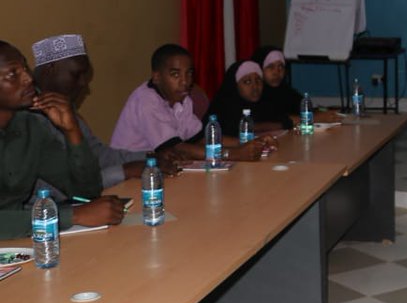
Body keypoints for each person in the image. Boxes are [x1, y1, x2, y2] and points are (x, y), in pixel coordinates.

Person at [0, 40, 123, 237]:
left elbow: (85, 192)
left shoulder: (30, 126)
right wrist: (72, 216)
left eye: (25, 67)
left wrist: (71, 131)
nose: (28, 78)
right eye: (13, 74)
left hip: (19, 243)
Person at [32, 33, 178, 184]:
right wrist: (125, 171)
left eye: (85, 76)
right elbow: (64, 188)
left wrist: (150, 157)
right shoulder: (27, 117)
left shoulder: (62, 106)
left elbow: (98, 155)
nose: (83, 84)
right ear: (50, 68)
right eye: (76, 75)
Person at [111, 44, 266, 161]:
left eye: (189, 73)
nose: (185, 81)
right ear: (157, 77)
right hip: (132, 171)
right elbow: (176, 149)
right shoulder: (146, 101)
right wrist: (233, 154)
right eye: (175, 74)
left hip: (161, 166)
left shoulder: (183, 99)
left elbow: (200, 138)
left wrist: (250, 143)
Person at [250, 46, 337, 126]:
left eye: (281, 66)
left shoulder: (285, 90)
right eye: (271, 67)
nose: (277, 72)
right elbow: (271, 121)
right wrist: (315, 118)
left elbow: (302, 107)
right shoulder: (254, 94)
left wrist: (323, 112)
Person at [209, 60, 292, 136]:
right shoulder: (223, 107)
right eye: (247, 82)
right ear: (235, 85)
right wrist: (282, 124)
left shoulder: (265, 102)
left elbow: (282, 118)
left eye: (258, 80)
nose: (255, 87)